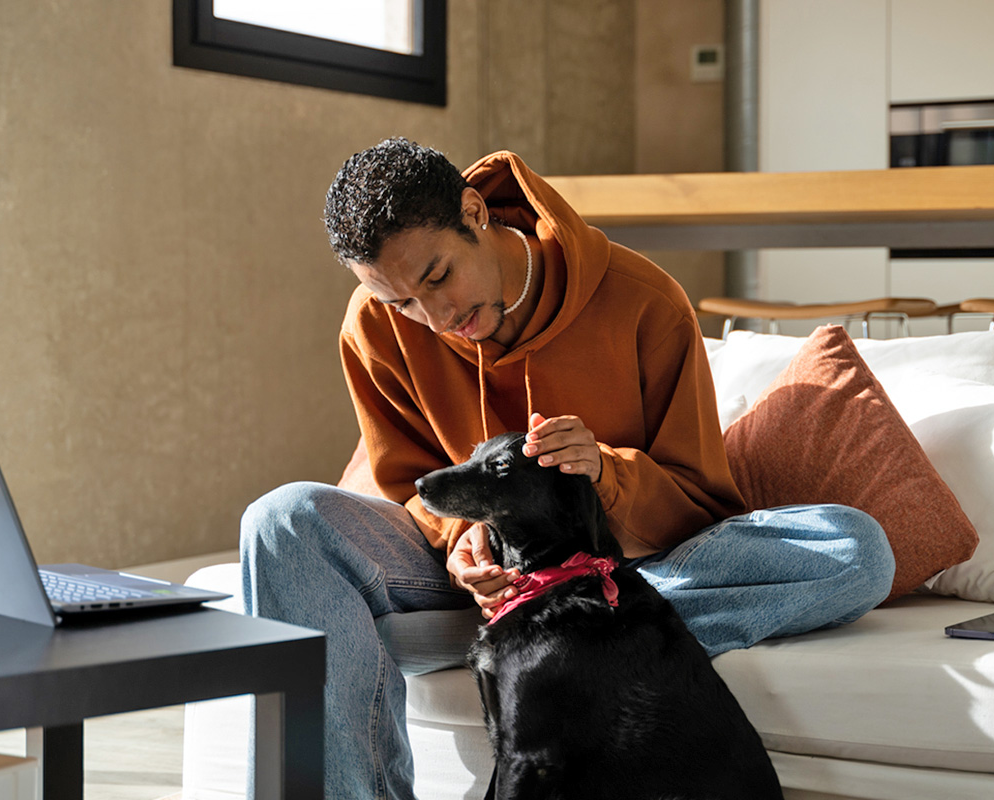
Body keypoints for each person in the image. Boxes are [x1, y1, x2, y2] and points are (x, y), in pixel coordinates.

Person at [241, 138, 895, 800]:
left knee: (852, 549)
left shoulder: (645, 302)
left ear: (474, 213)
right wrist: (459, 539)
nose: (434, 318)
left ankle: (561, 645)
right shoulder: (373, 328)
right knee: (280, 521)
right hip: (476, 592)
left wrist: (606, 475)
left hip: (609, 584)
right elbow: (405, 491)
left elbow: (700, 510)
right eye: (404, 303)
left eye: (437, 279)